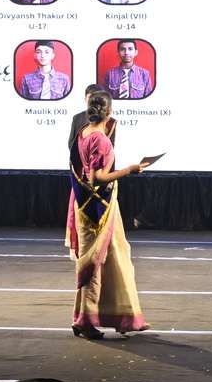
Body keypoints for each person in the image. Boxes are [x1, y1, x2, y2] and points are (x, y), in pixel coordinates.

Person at [69, 90, 151, 338]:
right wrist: (130, 169)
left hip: (89, 206)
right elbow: (98, 178)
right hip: (98, 210)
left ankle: (123, 316)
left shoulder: (83, 132)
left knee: (115, 255)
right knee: (95, 262)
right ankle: (85, 320)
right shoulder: (101, 140)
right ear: (110, 110)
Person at [65, 84, 113, 249]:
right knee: (90, 228)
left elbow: (109, 150)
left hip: (99, 172)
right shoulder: (83, 124)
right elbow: (72, 146)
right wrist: (129, 170)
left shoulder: (108, 124)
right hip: (85, 176)